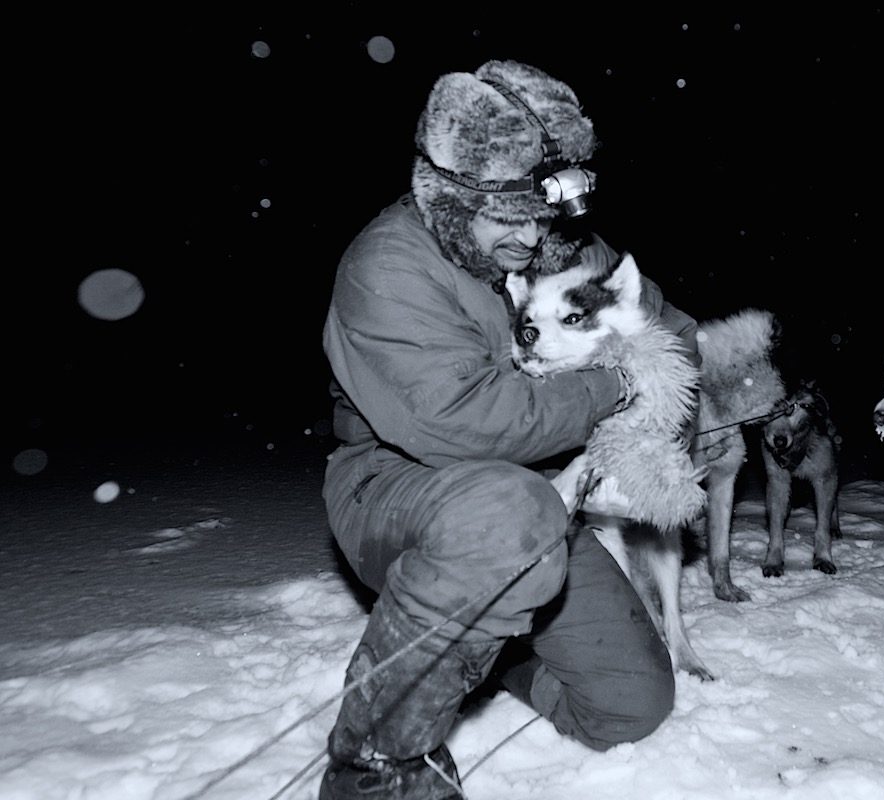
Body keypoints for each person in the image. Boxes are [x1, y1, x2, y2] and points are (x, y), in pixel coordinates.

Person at [318, 59, 701, 800]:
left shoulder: (565, 250)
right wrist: (615, 383)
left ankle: (492, 645)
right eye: (508, 217)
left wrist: (655, 427)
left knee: (630, 707)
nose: (531, 238)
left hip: (546, 490)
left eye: (543, 215)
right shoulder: (388, 265)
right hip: (401, 487)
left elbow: (672, 332)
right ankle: (377, 768)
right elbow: (462, 425)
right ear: (456, 202)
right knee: (506, 512)